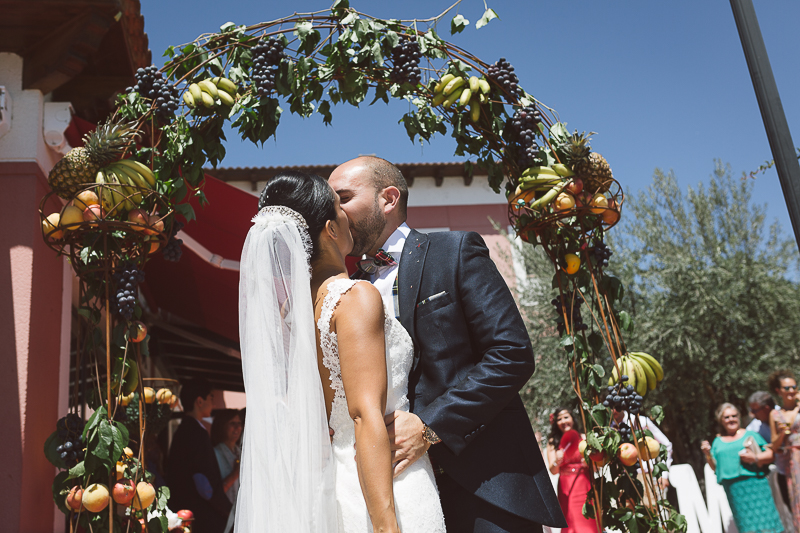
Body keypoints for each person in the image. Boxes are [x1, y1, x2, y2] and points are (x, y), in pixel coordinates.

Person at [328, 156, 566, 532]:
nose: (336, 212)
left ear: (388, 198)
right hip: (397, 490)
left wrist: (429, 426)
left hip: (484, 482)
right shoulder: (346, 291)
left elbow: (511, 354)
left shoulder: (454, 251)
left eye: (343, 198)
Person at [236, 171, 444, 533]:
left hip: (333, 483)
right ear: (330, 230)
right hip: (386, 481)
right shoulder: (354, 297)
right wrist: (386, 525)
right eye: (339, 207)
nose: (348, 215)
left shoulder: (293, 317)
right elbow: (365, 416)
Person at [701, 403, 783, 533]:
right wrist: (707, 455)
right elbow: (715, 468)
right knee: (746, 526)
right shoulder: (718, 442)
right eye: (727, 417)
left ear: (739, 417)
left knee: (767, 522)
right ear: (721, 420)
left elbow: (770, 454)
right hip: (734, 490)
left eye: (734, 416)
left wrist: (755, 458)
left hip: (756, 485)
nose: (731, 419)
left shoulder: (750, 435)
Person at [166, 379, 232, 533]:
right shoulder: (195, 433)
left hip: (187, 513)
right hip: (200, 518)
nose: (213, 404)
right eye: (211, 398)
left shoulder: (185, 430)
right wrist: (228, 510)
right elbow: (204, 485)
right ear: (200, 401)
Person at [546, 408, 597, 533]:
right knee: (572, 520)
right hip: (566, 487)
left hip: (585, 484)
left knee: (589, 519)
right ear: (556, 423)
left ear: (572, 419)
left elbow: (595, 467)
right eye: (559, 419)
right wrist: (557, 461)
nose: (563, 421)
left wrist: (588, 463)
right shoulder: (553, 443)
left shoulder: (583, 438)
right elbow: (553, 471)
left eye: (566, 417)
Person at [611, 406, 673, 496]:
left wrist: (664, 475)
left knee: (650, 508)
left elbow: (666, 445)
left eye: (615, 407)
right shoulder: (611, 428)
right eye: (609, 407)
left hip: (647, 476)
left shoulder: (641, 422)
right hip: (624, 479)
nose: (613, 411)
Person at [769, 370, 800, 529]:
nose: (791, 391)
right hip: (791, 466)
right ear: (778, 391)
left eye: (794, 387)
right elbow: (774, 446)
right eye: (786, 388)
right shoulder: (775, 414)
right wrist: (782, 433)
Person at [211, 410, 242, 504]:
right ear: (222, 426)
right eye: (232, 423)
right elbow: (214, 493)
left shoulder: (241, 453)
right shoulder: (214, 454)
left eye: (239, 423)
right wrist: (236, 473)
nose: (237, 427)